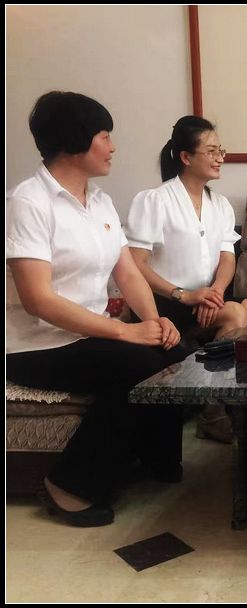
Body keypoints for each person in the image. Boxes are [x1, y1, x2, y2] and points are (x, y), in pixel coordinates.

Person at [6, 91, 187, 527]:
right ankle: (68, 487)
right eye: (104, 136)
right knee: (137, 368)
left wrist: (154, 322)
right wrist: (125, 332)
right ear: (74, 140)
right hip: (35, 345)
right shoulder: (27, 202)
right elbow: (37, 300)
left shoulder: (100, 201)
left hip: (88, 334)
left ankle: (154, 460)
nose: (112, 146)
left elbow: (128, 273)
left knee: (177, 355)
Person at [126, 115, 247, 443]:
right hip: (164, 302)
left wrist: (215, 291)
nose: (220, 158)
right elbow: (135, 264)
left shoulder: (220, 204)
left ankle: (241, 404)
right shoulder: (154, 200)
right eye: (211, 151)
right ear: (186, 157)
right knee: (236, 313)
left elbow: (228, 257)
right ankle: (213, 413)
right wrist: (184, 295)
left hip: (204, 298)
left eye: (221, 151)